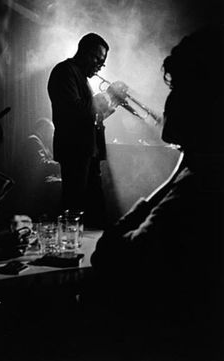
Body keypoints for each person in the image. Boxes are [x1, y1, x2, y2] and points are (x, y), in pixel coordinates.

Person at [90, 25, 224, 359]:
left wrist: (183, 165)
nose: (168, 100)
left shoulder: (197, 190)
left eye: (178, 88)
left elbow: (109, 258)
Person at [48, 32, 117, 228]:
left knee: (94, 209)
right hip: (74, 150)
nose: (100, 66)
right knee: (75, 207)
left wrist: (111, 105)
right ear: (85, 52)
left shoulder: (82, 78)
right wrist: (105, 96)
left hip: (87, 151)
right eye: (98, 59)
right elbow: (73, 112)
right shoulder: (64, 71)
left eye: (102, 62)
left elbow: (90, 116)